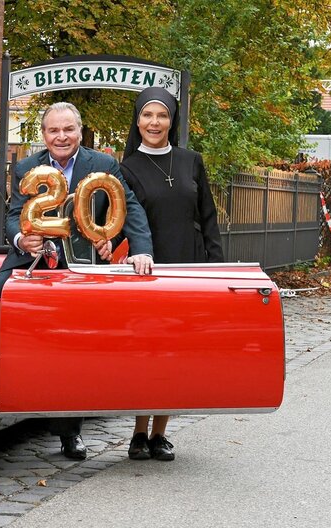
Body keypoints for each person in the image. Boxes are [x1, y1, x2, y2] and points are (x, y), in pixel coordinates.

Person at [0, 101, 154, 460]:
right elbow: (14, 214)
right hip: (33, 261)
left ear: (80, 131)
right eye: (53, 130)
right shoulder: (26, 167)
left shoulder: (103, 165)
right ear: (44, 134)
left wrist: (140, 248)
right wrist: (21, 238)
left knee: (76, 343)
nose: (61, 136)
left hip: (81, 267)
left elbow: (129, 206)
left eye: (68, 129)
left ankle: (70, 431)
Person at [120, 86, 224, 462]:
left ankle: (160, 433)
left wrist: (215, 270)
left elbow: (208, 218)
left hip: (189, 266)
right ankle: (137, 432)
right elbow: (118, 222)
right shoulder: (127, 167)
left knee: (175, 352)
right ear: (138, 120)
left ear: (172, 120)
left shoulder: (190, 160)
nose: (154, 122)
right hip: (148, 269)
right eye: (147, 115)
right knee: (148, 352)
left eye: (162, 115)